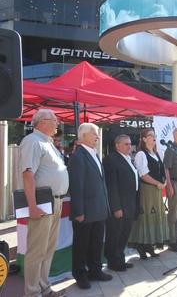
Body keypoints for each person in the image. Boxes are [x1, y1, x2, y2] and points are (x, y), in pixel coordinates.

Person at [19, 109, 68, 297]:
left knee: (47, 249)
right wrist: (32, 206)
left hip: (54, 202)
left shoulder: (47, 143)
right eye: (54, 120)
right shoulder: (32, 141)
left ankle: (43, 287)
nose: (57, 123)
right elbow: (27, 174)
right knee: (37, 250)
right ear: (41, 122)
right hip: (42, 203)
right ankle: (32, 292)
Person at [68, 123, 112, 290]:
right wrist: (79, 211)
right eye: (94, 134)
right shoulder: (78, 156)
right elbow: (76, 186)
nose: (97, 137)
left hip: (98, 209)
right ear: (84, 136)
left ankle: (95, 270)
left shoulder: (93, 153)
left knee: (95, 243)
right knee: (81, 245)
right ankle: (80, 275)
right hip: (85, 211)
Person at [129, 128, 169, 258]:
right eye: (150, 135)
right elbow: (143, 174)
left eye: (154, 135)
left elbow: (162, 171)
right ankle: (142, 245)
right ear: (144, 139)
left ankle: (150, 244)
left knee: (155, 215)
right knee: (146, 216)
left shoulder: (156, 153)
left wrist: (164, 183)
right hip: (147, 190)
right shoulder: (141, 154)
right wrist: (157, 183)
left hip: (156, 189)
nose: (154, 137)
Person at [103, 134, 139, 271]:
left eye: (130, 144)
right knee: (115, 234)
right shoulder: (111, 159)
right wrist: (116, 207)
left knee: (124, 234)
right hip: (119, 205)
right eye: (126, 144)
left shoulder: (128, 158)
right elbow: (111, 186)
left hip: (130, 202)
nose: (129, 146)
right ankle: (113, 261)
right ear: (117, 145)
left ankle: (120, 259)